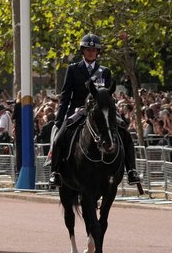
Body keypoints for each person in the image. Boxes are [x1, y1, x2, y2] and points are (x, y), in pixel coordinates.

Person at [48, 34, 140, 188]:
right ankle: (55, 172)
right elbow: (65, 95)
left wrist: (114, 114)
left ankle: (131, 170)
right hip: (79, 109)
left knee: (125, 133)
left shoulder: (105, 71)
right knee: (59, 137)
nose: (91, 52)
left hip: (100, 110)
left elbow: (108, 96)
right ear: (82, 51)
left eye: (94, 50)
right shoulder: (73, 69)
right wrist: (60, 118)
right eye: (88, 49)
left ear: (98, 52)